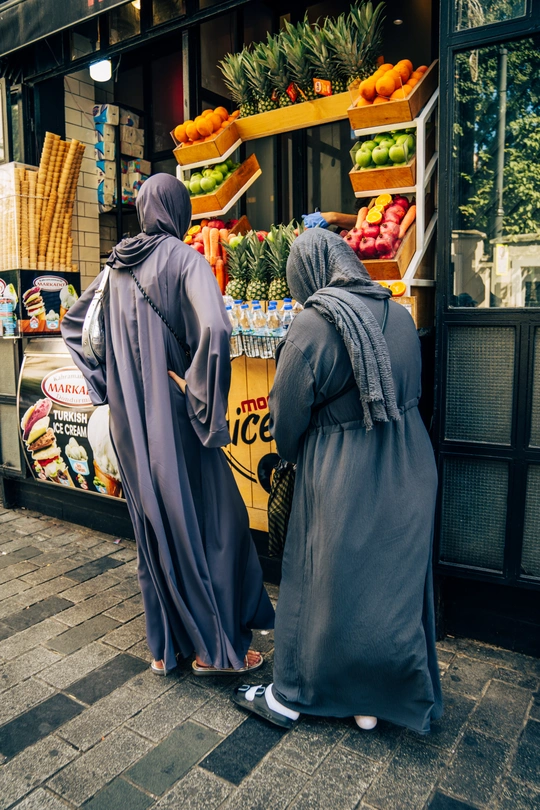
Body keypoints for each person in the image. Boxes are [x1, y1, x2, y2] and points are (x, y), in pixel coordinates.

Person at [62, 174, 274, 676]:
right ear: (178, 210)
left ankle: (165, 649)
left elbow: (74, 327)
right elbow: (217, 329)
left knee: (155, 525)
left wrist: (110, 388)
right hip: (174, 418)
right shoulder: (185, 259)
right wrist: (199, 399)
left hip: (130, 422)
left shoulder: (115, 266)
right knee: (215, 525)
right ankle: (215, 650)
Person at [232, 229, 442, 733]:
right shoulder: (400, 314)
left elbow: (285, 423)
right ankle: (369, 701)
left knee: (322, 584)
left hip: (341, 469)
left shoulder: (312, 324)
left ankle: (292, 695)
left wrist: (294, 450)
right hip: (410, 463)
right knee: (385, 589)